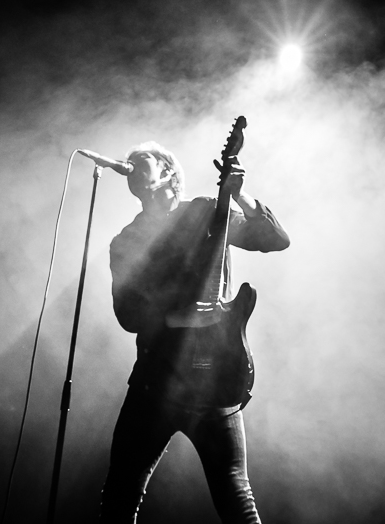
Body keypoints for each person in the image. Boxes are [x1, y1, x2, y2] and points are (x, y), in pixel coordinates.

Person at [100, 141, 290, 524]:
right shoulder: (125, 242)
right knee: (120, 497)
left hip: (216, 378)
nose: (133, 164)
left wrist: (240, 196)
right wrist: (174, 316)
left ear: (169, 172)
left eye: (144, 159)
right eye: (130, 162)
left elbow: (275, 239)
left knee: (236, 496)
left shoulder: (205, 210)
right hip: (156, 381)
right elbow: (127, 314)